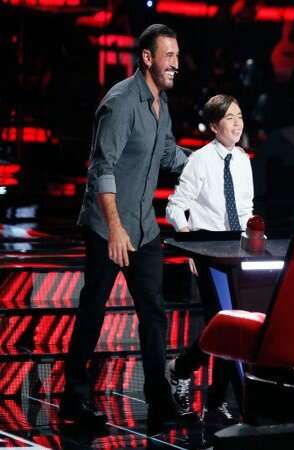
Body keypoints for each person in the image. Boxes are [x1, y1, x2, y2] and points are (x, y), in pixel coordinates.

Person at [59, 24, 188, 426]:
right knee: (93, 310)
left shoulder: (161, 103)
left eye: (178, 57)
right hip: (107, 226)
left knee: (154, 311)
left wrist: (211, 161)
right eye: (169, 56)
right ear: (148, 58)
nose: (176, 64)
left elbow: (168, 154)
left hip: (144, 227)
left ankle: (159, 401)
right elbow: (102, 168)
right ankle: (74, 398)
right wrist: (115, 229)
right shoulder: (120, 103)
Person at [166, 94, 253, 425]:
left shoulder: (243, 160)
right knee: (224, 324)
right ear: (215, 126)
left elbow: (245, 208)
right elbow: (176, 206)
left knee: (231, 326)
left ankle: (209, 396)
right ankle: (184, 371)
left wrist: (252, 237)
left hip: (237, 250)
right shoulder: (200, 160)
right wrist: (191, 243)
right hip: (208, 251)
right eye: (229, 118)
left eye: (240, 116)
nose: (237, 123)